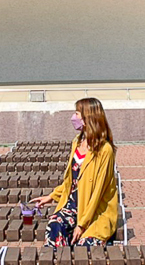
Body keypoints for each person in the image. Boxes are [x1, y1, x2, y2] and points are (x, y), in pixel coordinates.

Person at [30, 97, 118, 246]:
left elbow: (97, 194)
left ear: (87, 118)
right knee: (54, 226)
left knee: (84, 246)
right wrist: (51, 197)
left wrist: (81, 225)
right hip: (72, 207)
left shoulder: (105, 150)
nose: (73, 117)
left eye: (77, 113)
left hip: (96, 212)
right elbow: (71, 181)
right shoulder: (77, 142)